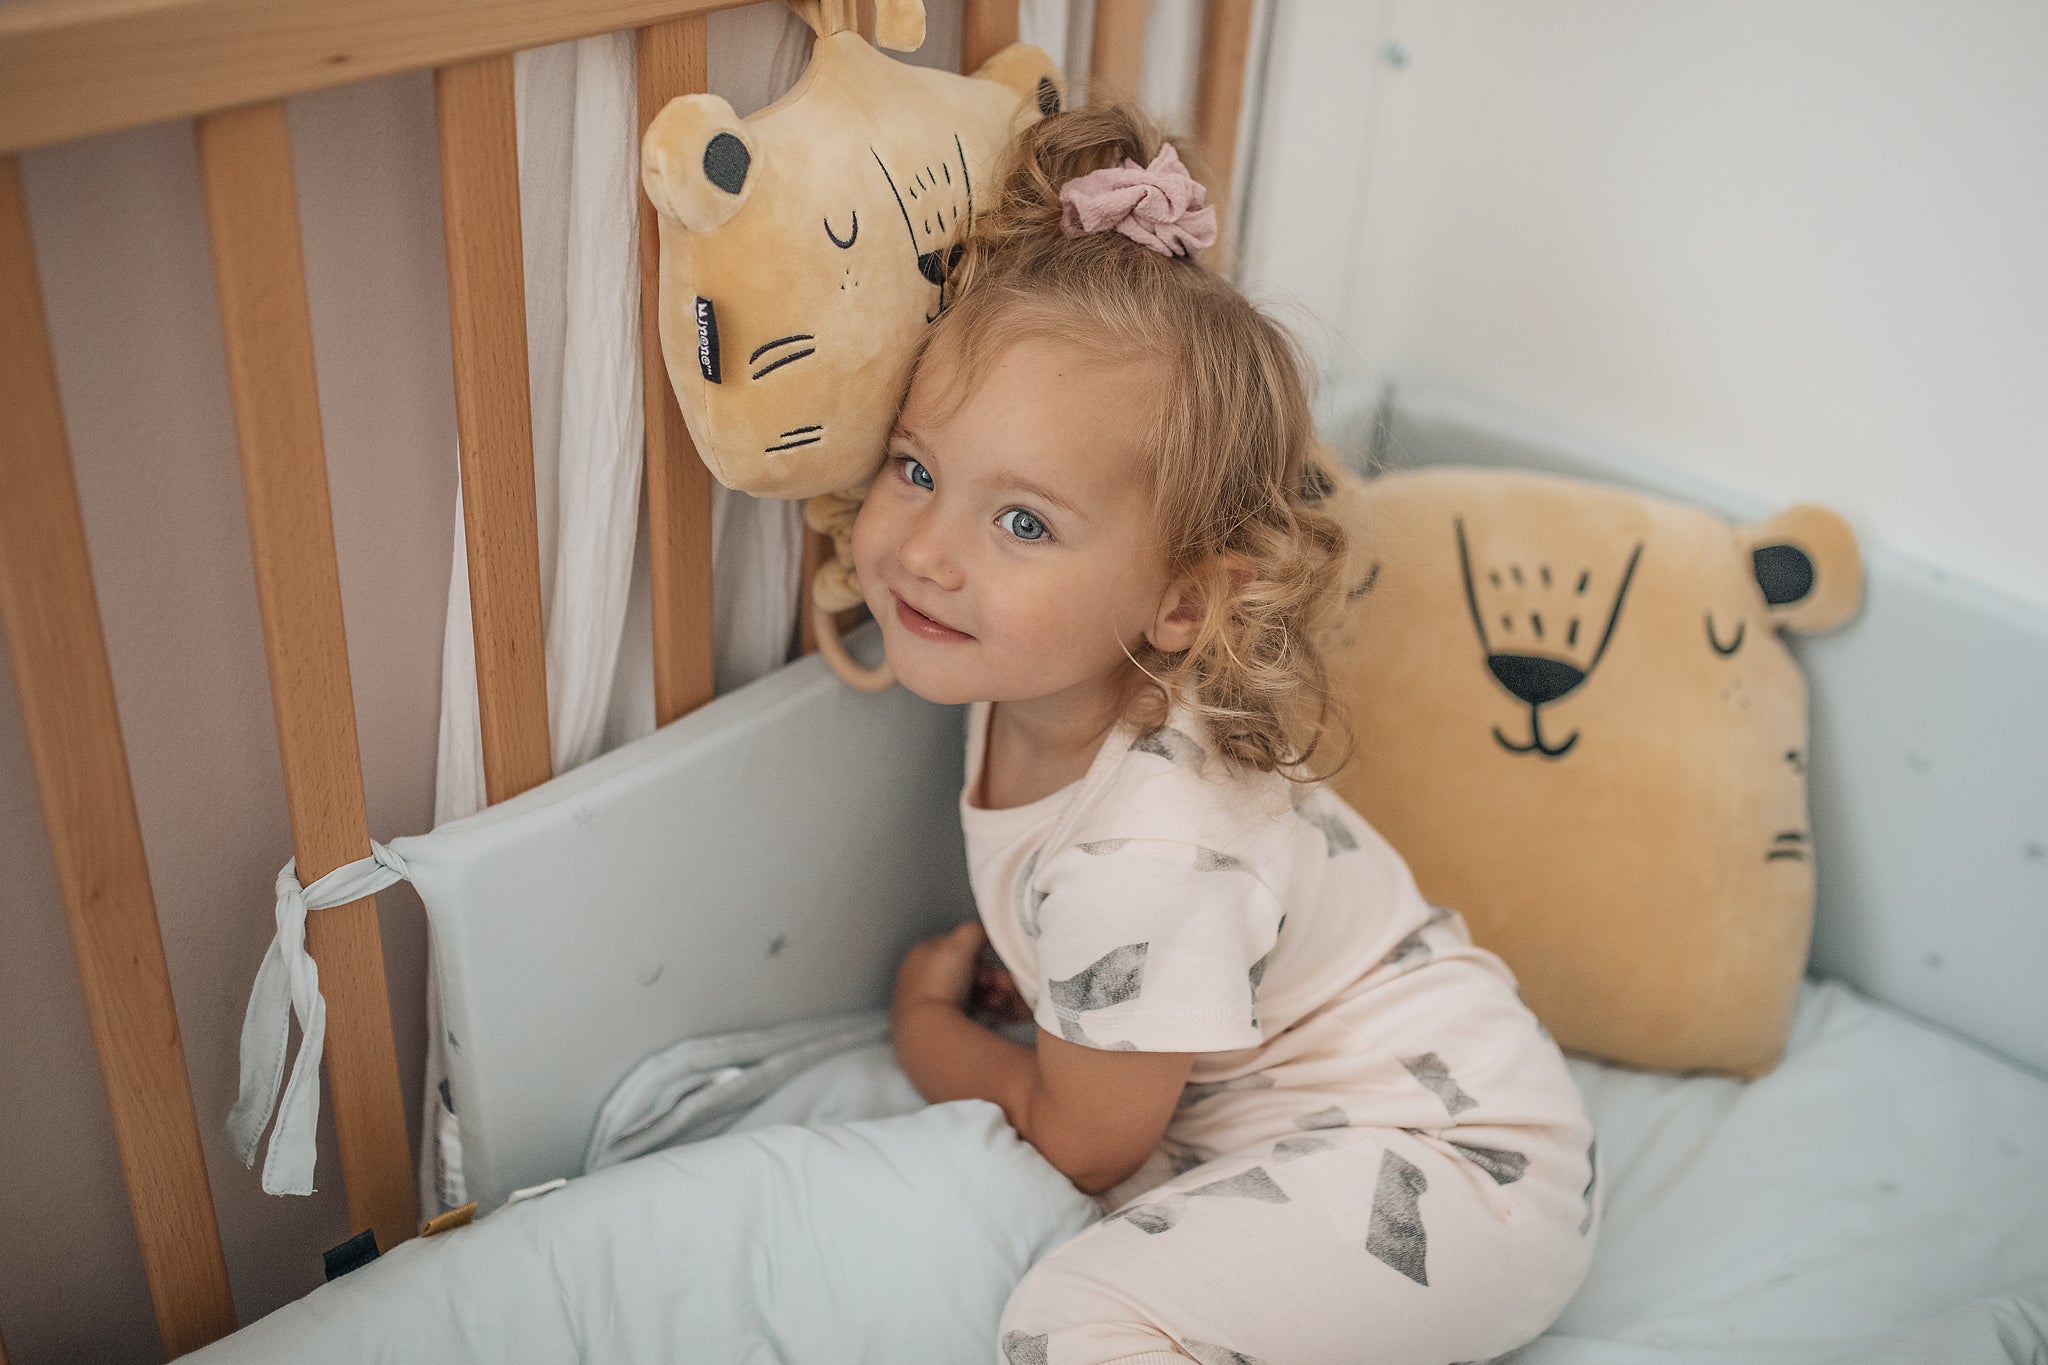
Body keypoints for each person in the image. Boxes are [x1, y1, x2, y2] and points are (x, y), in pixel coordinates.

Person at [859, 102, 1597, 1365]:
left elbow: (1084, 1142)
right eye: (917, 470)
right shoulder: (1032, 669)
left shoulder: (1143, 853)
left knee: (1071, 1318)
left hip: (1450, 1172)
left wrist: (923, 1031)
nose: (926, 552)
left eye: (1023, 523)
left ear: (1182, 602)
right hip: (1382, 1135)